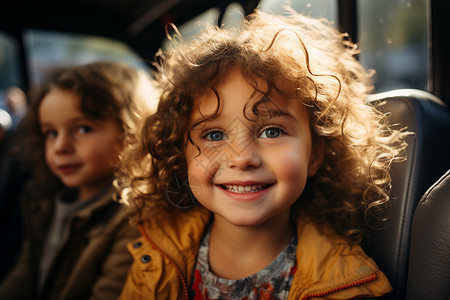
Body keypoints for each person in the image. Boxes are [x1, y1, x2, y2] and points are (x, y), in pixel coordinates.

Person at [117, 9, 408, 299]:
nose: (242, 158)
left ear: (315, 154)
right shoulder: (154, 255)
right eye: (214, 135)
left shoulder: (348, 284)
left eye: (272, 132)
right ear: (181, 156)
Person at [0, 61, 158, 300]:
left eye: (82, 129)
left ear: (131, 133)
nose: (61, 146)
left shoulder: (134, 219)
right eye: (51, 133)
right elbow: (24, 275)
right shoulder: (47, 200)